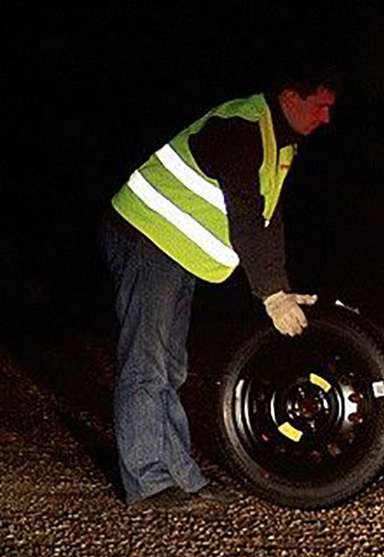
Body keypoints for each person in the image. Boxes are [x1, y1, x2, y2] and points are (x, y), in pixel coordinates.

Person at [99, 70, 338, 511]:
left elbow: (269, 221)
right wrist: (270, 296)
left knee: (171, 367)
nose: (325, 118)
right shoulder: (241, 127)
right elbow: (245, 213)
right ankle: (147, 483)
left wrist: (282, 288)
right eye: (319, 105)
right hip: (146, 238)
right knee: (146, 364)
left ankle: (181, 477)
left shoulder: (280, 141)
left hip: (174, 251)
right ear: (289, 96)